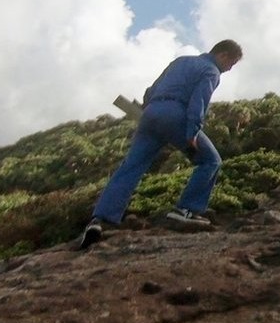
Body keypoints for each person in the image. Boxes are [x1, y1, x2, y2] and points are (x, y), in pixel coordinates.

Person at [78, 39, 243, 249]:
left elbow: (151, 90)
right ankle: (185, 210)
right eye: (232, 63)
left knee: (131, 166)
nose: (229, 69)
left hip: (150, 114)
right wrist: (192, 131)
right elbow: (198, 102)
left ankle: (101, 220)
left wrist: (150, 112)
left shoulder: (181, 61)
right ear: (223, 55)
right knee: (211, 161)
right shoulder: (211, 71)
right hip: (176, 115)